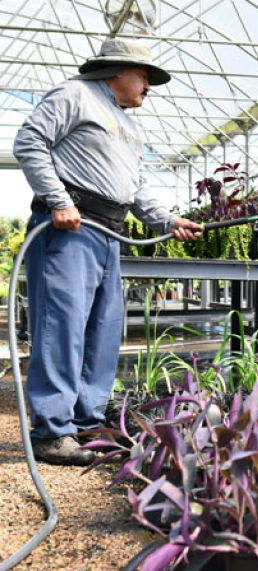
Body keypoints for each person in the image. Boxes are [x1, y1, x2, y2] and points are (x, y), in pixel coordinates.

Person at [13, 39, 201, 466]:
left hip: (108, 233)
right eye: (145, 76)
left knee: (102, 330)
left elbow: (134, 187)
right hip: (69, 230)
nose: (149, 85)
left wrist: (166, 220)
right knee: (61, 327)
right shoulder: (74, 94)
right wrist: (58, 200)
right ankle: (52, 432)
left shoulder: (127, 124)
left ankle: (88, 425)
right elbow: (30, 142)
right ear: (118, 70)